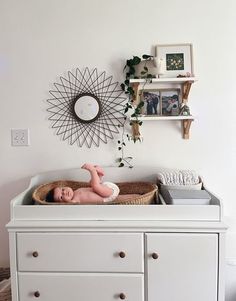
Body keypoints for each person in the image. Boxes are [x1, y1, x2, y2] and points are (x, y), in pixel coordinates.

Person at [47, 164, 120, 204]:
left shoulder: (76, 191)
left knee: (92, 184)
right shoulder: (75, 201)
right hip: (106, 197)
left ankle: (98, 176)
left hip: (105, 189)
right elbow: (71, 205)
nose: (65, 193)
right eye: (61, 197)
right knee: (95, 186)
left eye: (62, 190)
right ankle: (93, 171)